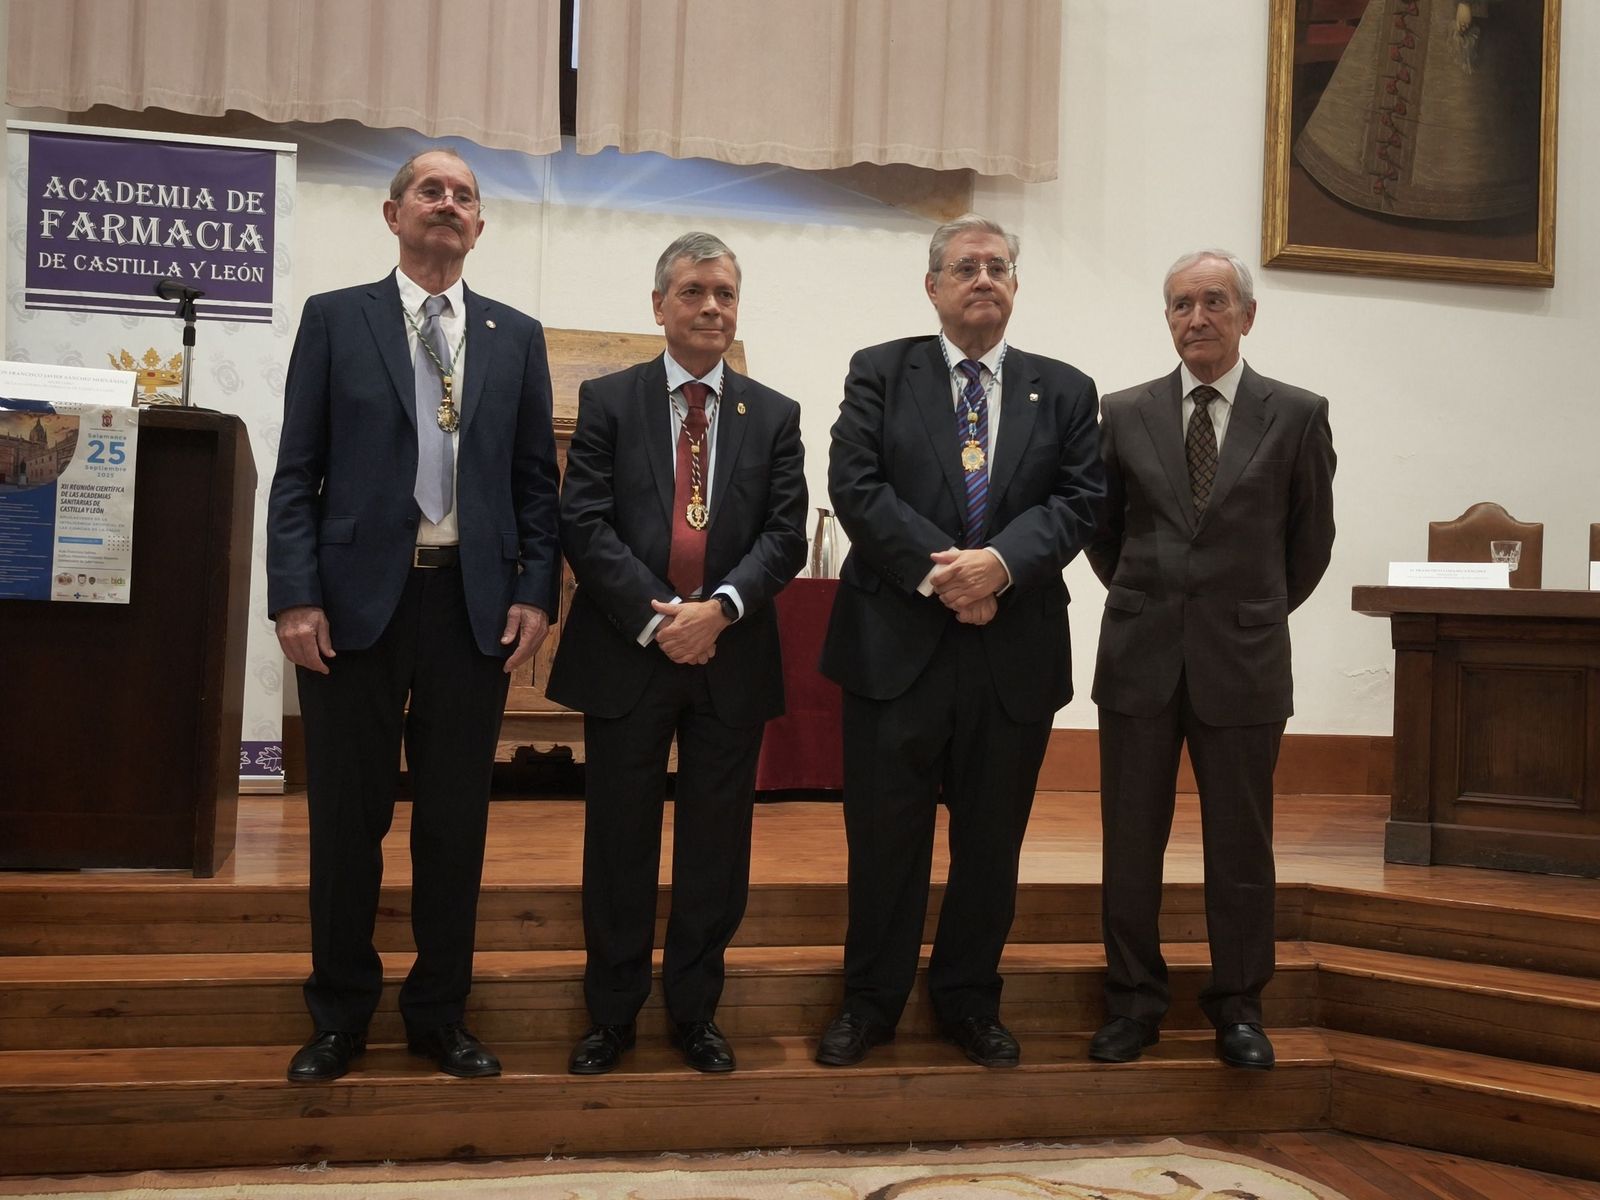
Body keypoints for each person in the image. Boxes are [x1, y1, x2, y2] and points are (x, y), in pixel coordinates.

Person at [266, 147, 561, 1083]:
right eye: (429, 190)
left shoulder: (515, 336)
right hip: (352, 609)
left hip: (469, 609)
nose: (447, 203)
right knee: (347, 823)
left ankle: (439, 1013)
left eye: (464, 195)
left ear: (481, 226)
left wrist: (534, 591)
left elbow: (532, 487)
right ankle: (340, 1014)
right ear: (392, 214)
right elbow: (298, 472)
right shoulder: (335, 319)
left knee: (453, 825)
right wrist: (295, 594)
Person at [815, 214, 1105, 1069]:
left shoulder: (1066, 389)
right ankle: (868, 1004)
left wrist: (999, 566)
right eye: (965, 267)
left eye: (998, 267)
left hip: (1010, 656)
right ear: (933, 286)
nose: (984, 278)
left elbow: (1080, 502)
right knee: (884, 841)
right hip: (894, 648)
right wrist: (946, 575)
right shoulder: (880, 371)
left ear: (1016, 287)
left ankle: (970, 1000)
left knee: (990, 844)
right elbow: (854, 485)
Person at [546, 232, 807, 1076]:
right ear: (658, 306)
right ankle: (611, 1016)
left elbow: (784, 535)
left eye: (726, 293)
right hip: (631, 652)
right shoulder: (609, 400)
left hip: (729, 657)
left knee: (714, 850)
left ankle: (696, 1013)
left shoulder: (773, 414)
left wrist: (719, 610)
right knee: (619, 845)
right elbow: (583, 522)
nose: (711, 308)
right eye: (694, 291)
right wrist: (662, 619)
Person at [1087, 249, 1336, 1070]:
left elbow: (1309, 543)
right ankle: (1132, 1002)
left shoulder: (1296, 414)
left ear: (1246, 316)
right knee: (1130, 845)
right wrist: (1158, 601)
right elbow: (1104, 534)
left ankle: (1239, 1007)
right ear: (1168, 320)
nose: (1198, 317)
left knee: (1240, 846)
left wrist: (1247, 612)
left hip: (1245, 660)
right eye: (1182, 304)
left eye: (1215, 301)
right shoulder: (1122, 414)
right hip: (1140, 657)